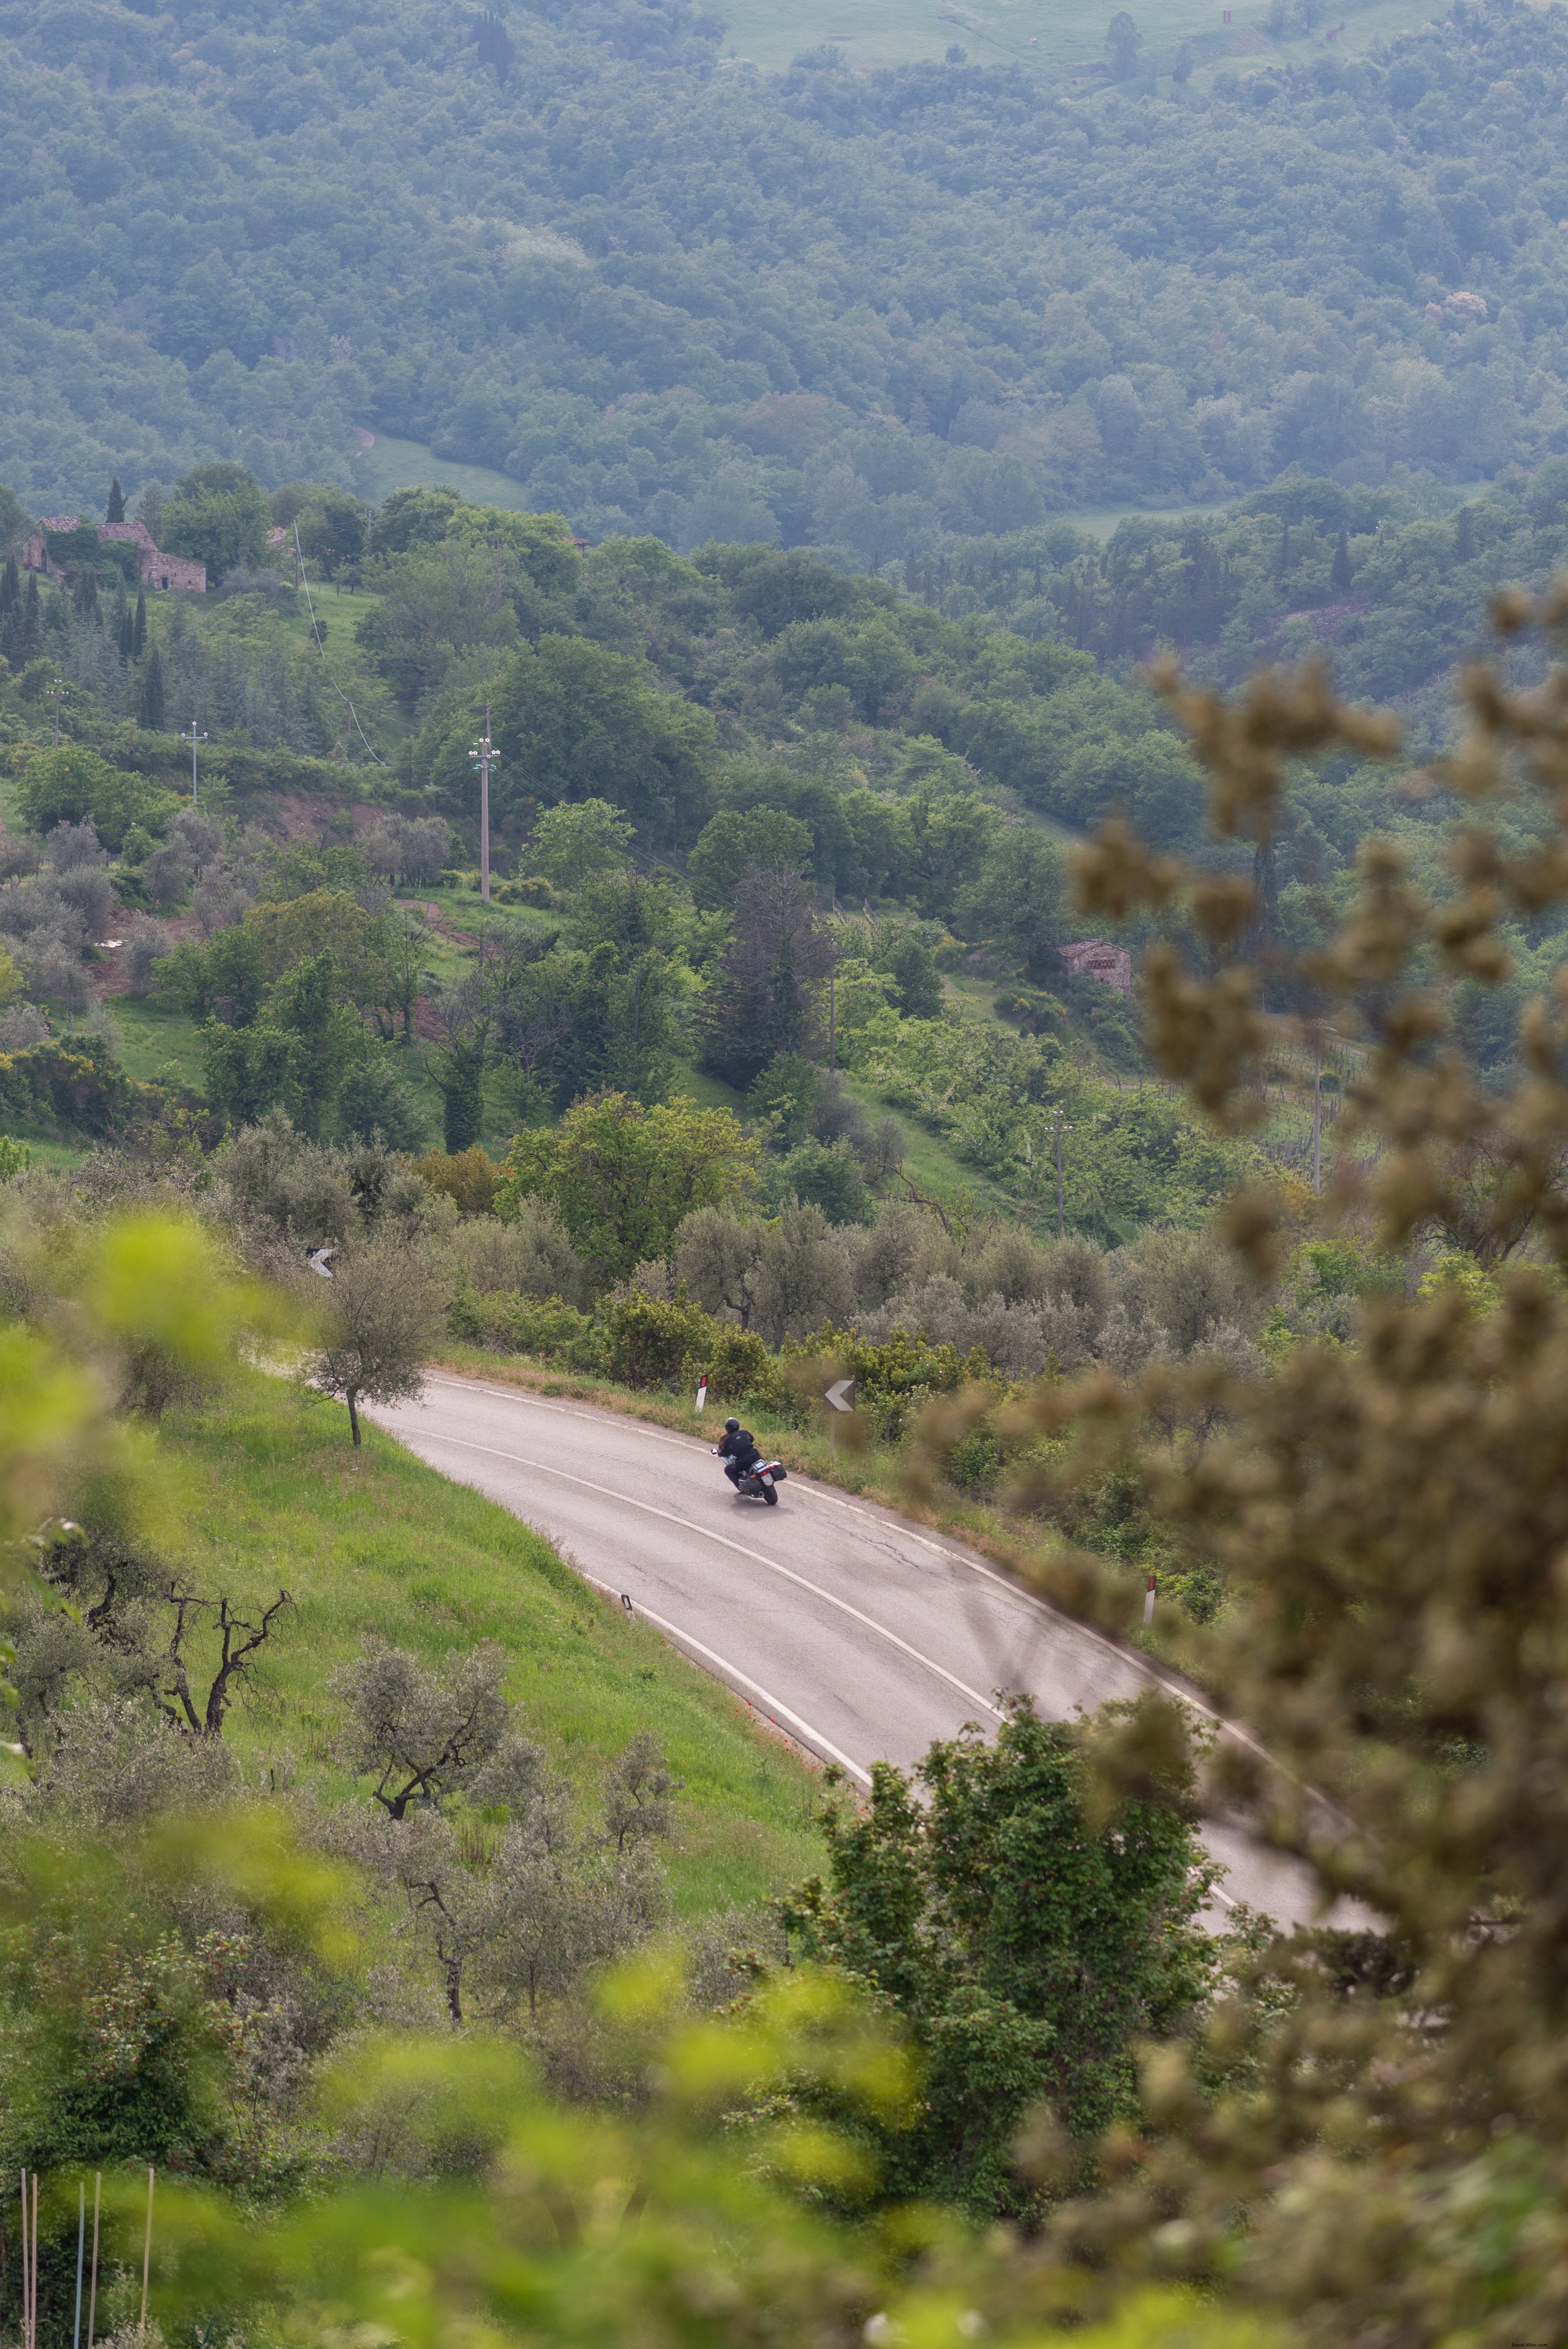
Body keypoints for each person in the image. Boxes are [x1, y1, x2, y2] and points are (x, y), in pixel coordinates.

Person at [716, 1415, 761, 1488]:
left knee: (728, 1470)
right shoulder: (745, 1433)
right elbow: (752, 1439)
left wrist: (720, 1453)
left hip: (743, 1462)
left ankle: (741, 1487)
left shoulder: (728, 1440)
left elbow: (725, 1453)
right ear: (738, 1426)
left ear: (727, 1428)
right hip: (756, 1456)